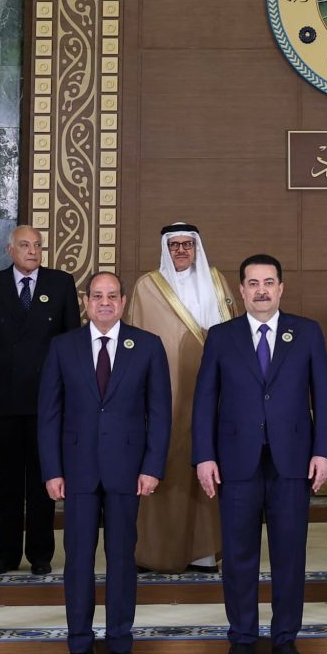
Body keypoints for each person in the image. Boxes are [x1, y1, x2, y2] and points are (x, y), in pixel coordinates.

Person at [193, 254, 327, 654]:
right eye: (253, 283)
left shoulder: (306, 333)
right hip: (236, 463)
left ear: (281, 288)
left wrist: (323, 450)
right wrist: (204, 456)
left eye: (269, 282)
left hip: (292, 462)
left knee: (290, 555)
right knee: (238, 556)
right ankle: (241, 640)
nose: (261, 290)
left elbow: (324, 395)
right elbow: (204, 401)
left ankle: (285, 641)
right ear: (241, 291)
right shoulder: (221, 337)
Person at [40, 270, 171, 654]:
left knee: (121, 560)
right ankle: (79, 646)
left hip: (128, 472)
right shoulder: (63, 347)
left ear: (124, 301)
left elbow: (160, 414)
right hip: (76, 473)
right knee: (77, 561)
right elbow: (49, 414)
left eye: (112, 296)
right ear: (85, 301)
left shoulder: (147, 346)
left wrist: (152, 466)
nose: (104, 303)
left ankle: (120, 644)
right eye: (97, 296)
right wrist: (52, 470)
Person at [0, 224, 80, 575]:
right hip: (1, 400)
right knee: (8, 482)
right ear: (10, 250)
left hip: (47, 401)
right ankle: (6, 555)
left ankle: (40, 554)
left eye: (37, 245)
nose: (32, 250)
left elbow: (72, 346)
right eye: (25, 245)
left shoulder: (60, 283)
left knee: (43, 480)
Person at [131, 223, 236, 571]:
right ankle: (157, 551)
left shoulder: (217, 283)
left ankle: (203, 551)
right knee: (164, 468)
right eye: (173, 245)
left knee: (206, 465)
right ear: (165, 248)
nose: (180, 251)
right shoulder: (147, 287)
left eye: (187, 245)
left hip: (210, 393)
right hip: (165, 396)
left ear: (196, 248)